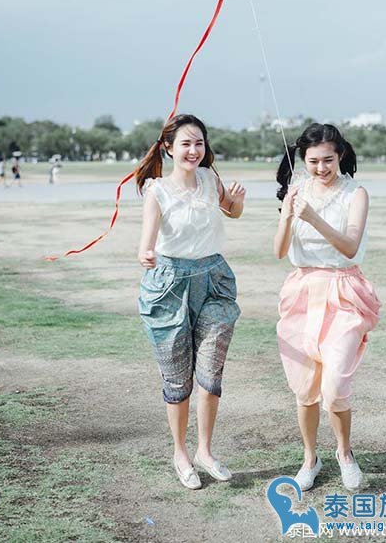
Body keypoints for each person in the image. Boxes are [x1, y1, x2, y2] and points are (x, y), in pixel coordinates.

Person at [136, 114, 246, 490]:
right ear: (168, 148)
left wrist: (237, 202)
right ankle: (180, 452)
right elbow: (146, 242)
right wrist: (146, 255)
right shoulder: (157, 191)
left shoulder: (209, 178)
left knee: (211, 373)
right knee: (178, 377)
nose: (194, 150)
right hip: (169, 285)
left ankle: (205, 450)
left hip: (213, 279)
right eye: (185, 143)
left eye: (198, 143)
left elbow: (230, 210)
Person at [274, 123, 380, 491]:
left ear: (341, 157)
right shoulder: (297, 192)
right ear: (302, 160)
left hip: (344, 292)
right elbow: (278, 250)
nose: (321, 168)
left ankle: (345, 453)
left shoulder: (356, 193)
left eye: (328, 160)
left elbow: (350, 246)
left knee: (335, 386)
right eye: (314, 161)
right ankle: (310, 458)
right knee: (305, 389)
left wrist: (312, 218)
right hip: (302, 291)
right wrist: (288, 214)